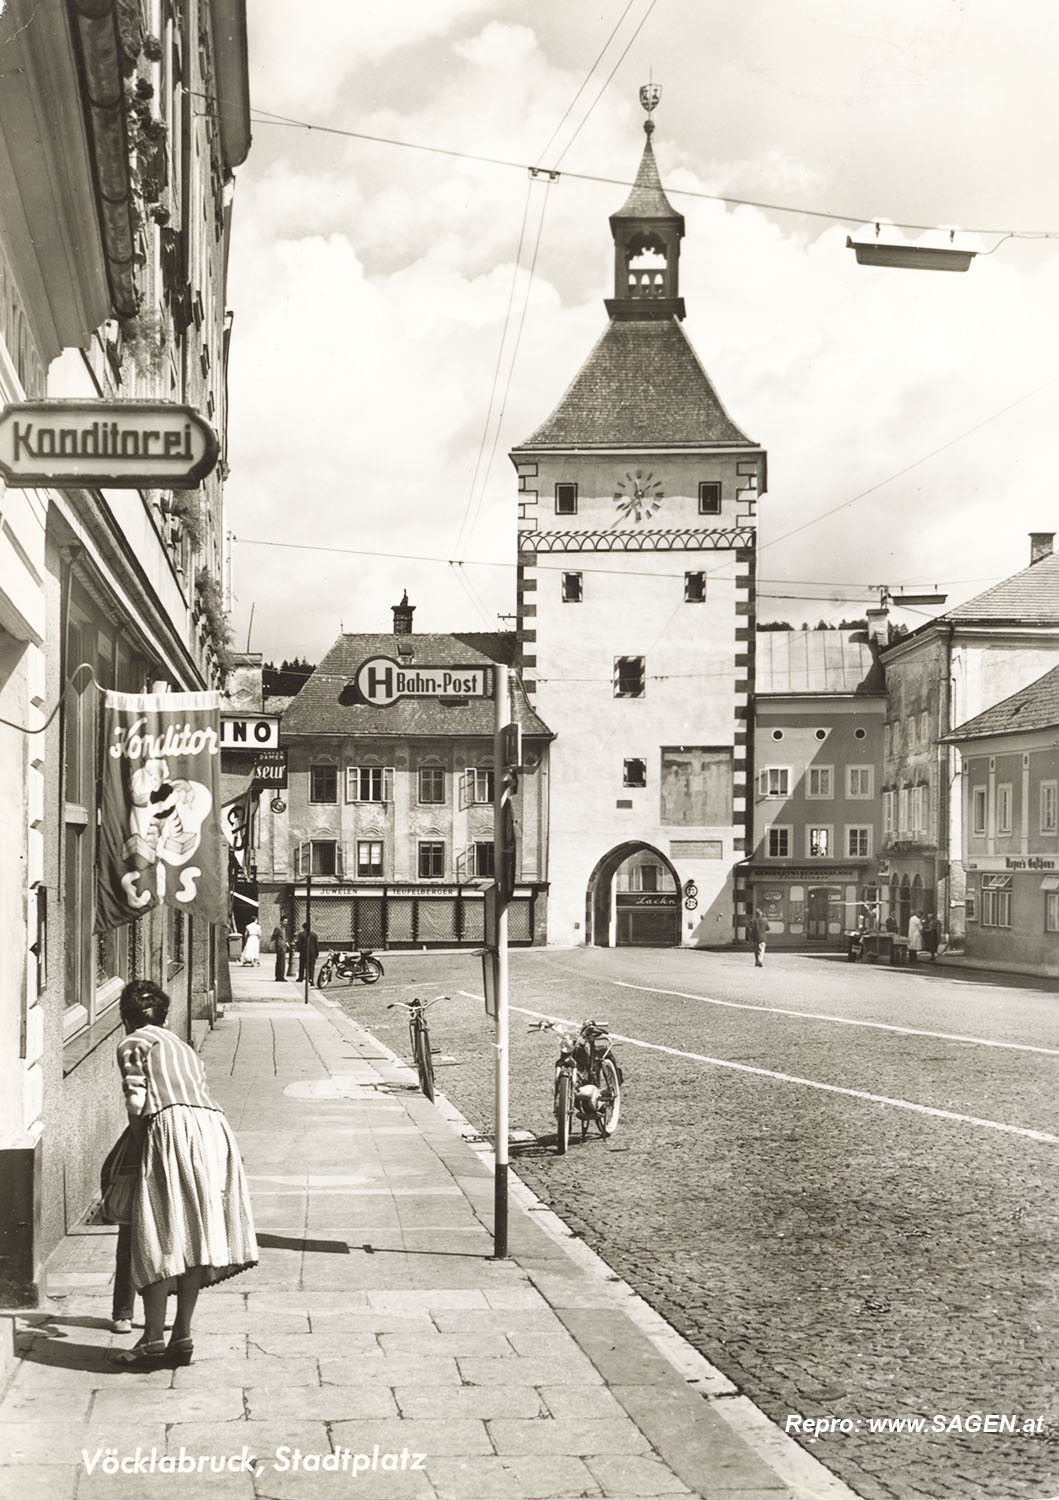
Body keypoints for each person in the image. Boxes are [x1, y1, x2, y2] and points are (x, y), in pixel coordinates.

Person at [110, 979, 257, 1369]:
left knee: (158, 1232)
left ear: (126, 1019)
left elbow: (137, 1100)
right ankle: (182, 1334)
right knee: (194, 1235)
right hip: (213, 1131)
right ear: (164, 1014)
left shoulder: (133, 1042)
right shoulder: (184, 1048)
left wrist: (142, 1146)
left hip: (171, 1129)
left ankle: (152, 1339)